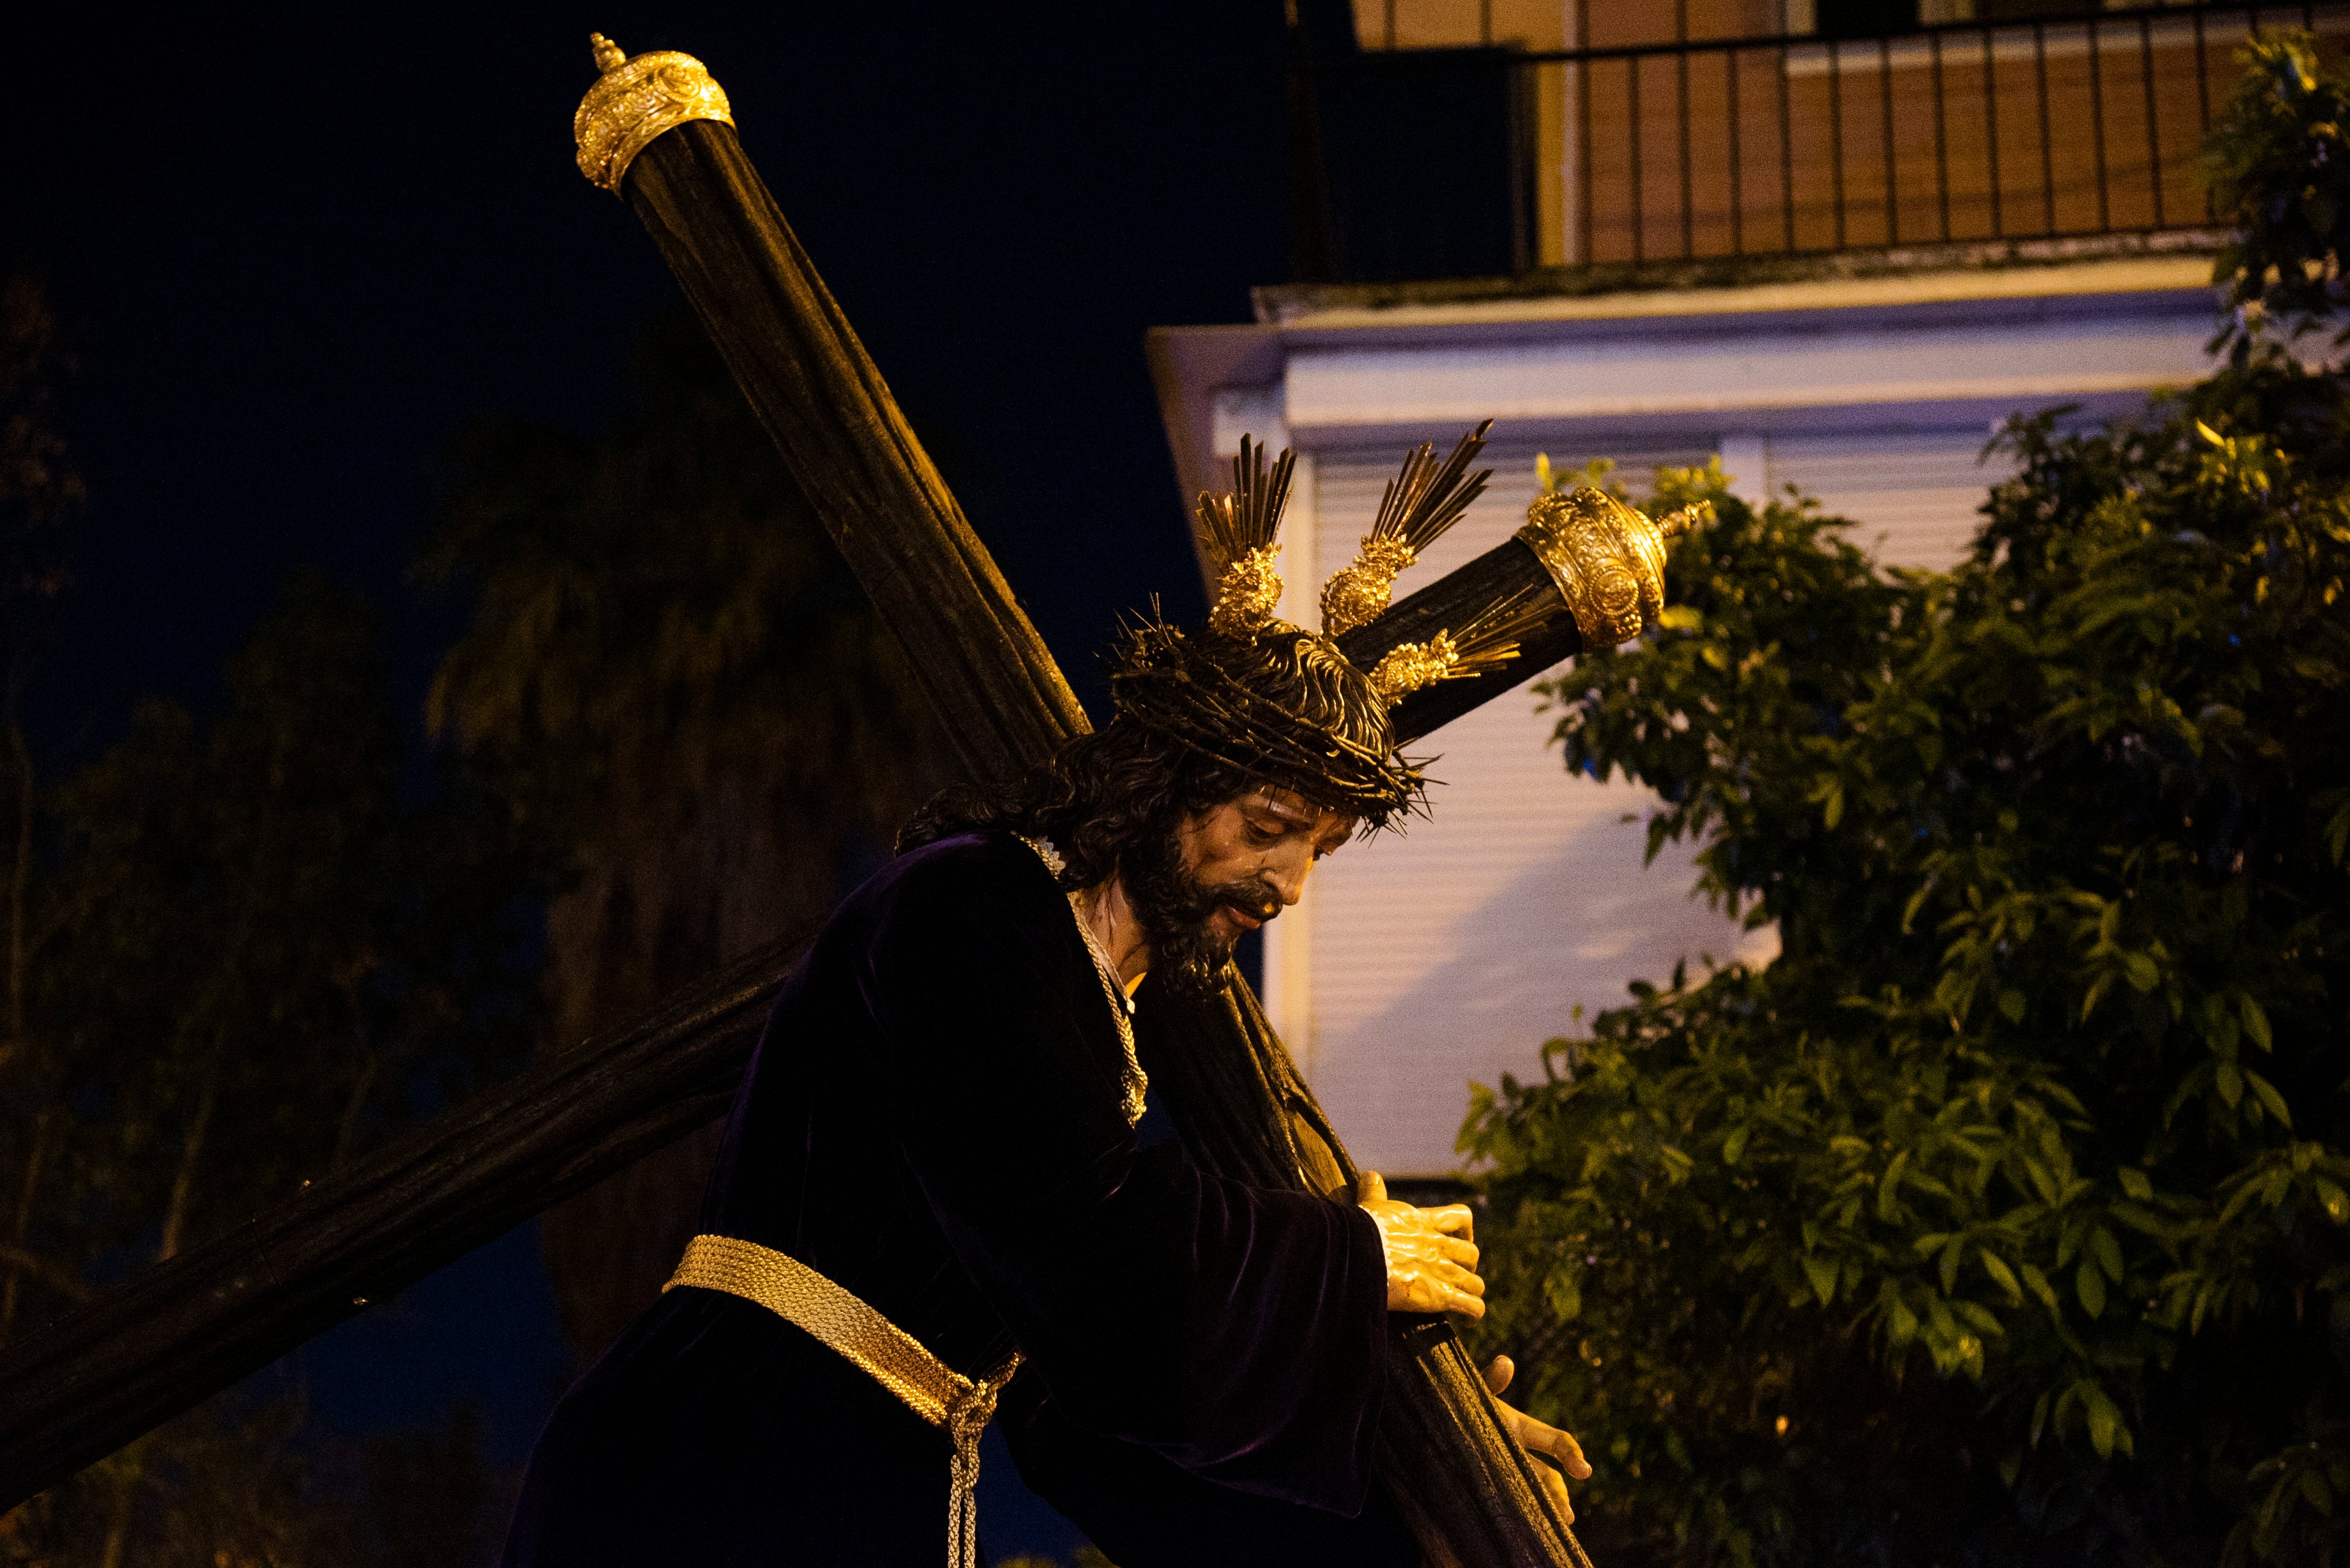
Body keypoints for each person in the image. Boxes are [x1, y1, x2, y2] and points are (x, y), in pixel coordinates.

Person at [499, 433, 1589, 1567]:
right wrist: (1353, 1261)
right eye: (1267, 829)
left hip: (855, 1476)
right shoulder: (970, 914)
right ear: (1169, 783)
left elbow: (1089, 1421)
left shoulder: (1087, 1002)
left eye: (1320, 848)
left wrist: (1414, 1466)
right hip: (721, 1469)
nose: (1289, 884)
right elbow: (1103, 1265)